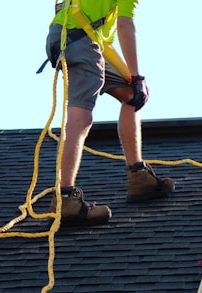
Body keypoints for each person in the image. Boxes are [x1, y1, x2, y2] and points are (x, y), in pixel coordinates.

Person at [43, 0, 174, 226]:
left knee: (133, 95)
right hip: (79, 40)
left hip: (83, 39)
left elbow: (107, 38)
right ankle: (64, 198)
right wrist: (137, 75)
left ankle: (138, 176)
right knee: (80, 117)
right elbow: (125, 25)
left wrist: (133, 80)